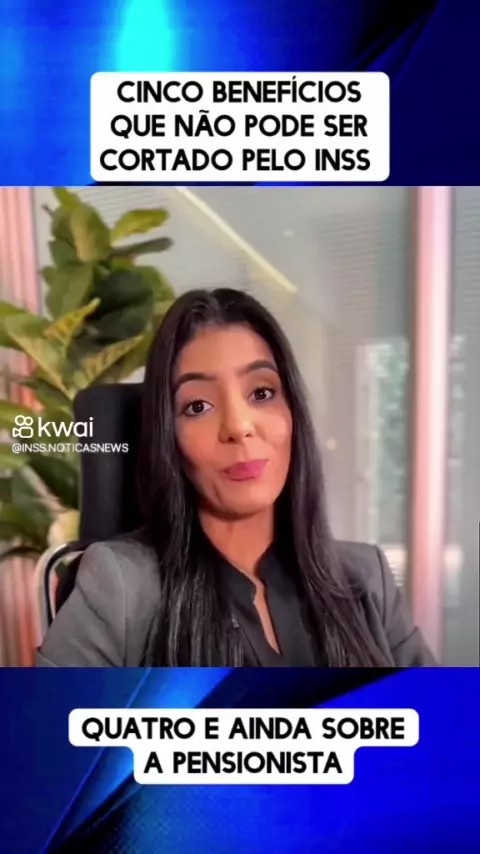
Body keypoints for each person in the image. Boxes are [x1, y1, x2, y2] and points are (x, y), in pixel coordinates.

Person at [36, 288, 435, 668]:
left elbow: (441, 717)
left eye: (261, 393)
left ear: (293, 413)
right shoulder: (118, 586)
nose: (239, 427)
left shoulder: (368, 579)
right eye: (197, 406)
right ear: (168, 439)